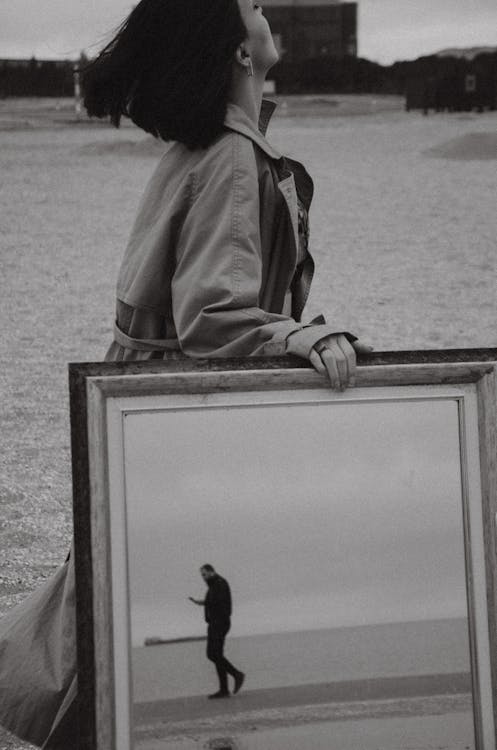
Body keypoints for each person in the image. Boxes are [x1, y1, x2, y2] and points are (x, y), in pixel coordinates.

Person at [0, 1, 373, 747]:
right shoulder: (233, 158)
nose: (267, 11)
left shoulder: (202, 149)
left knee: (110, 601)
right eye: (256, 8)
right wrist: (302, 334)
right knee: (121, 629)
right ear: (239, 53)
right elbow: (212, 317)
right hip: (174, 417)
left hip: (139, 407)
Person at [189, 565, 245, 698]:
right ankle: (224, 689)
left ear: (212, 572)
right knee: (217, 655)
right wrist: (201, 603)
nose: (203, 577)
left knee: (212, 654)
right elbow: (214, 601)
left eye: (204, 574)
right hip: (215, 623)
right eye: (202, 575)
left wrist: (206, 602)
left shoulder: (220, 583)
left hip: (220, 623)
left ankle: (237, 674)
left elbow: (218, 602)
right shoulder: (214, 585)